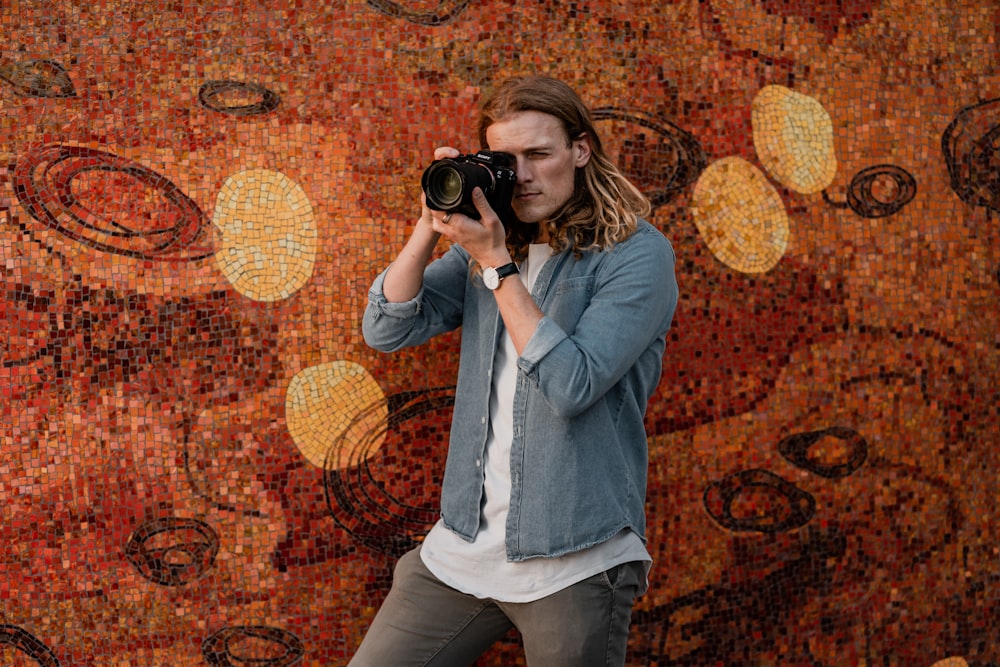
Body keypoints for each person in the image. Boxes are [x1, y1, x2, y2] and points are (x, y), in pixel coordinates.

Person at [353, 75, 678, 666]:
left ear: (580, 151)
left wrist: (495, 265)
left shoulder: (636, 255)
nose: (522, 175)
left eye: (539, 154)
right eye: (506, 159)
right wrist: (430, 225)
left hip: (574, 557)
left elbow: (571, 384)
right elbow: (388, 327)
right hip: (461, 549)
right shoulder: (498, 243)